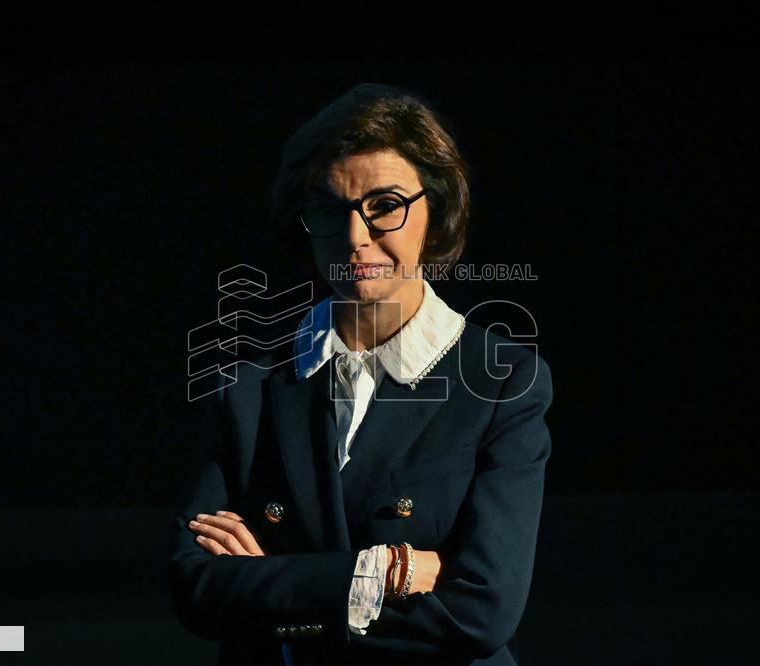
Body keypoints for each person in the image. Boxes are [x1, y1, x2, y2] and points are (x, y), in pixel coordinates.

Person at [169, 83, 554, 666]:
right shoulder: (249, 377)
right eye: (330, 208)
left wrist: (274, 590)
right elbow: (195, 587)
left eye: (385, 205)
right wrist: (387, 569)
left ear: (438, 211)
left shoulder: (503, 379)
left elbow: (484, 610)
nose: (355, 237)